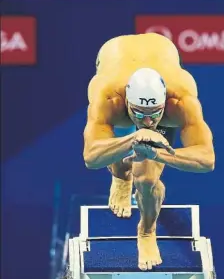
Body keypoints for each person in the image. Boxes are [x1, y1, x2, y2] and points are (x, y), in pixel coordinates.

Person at [83, 33, 215, 271]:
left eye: (154, 112)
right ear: (127, 102)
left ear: (164, 102)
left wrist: (158, 154)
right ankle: (121, 177)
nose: (148, 119)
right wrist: (133, 138)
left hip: (162, 50)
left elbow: (207, 160)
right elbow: (91, 157)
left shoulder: (181, 101)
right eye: (140, 113)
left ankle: (146, 230)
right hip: (113, 52)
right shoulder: (108, 97)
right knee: (118, 150)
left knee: (147, 178)